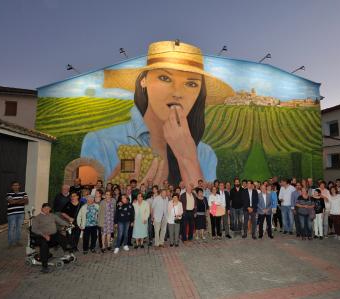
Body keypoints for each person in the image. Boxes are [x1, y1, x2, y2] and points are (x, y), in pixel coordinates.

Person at [81, 41, 234, 185]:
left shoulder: (204, 154)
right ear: (144, 81)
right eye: (164, 78)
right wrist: (118, 194)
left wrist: (188, 159)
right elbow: (85, 203)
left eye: (191, 83)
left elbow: (206, 207)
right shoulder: (101, 142)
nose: (177, 93)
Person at [31, 203, 73, 273]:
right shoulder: (37, 218)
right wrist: (44, 235)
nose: (47, 210)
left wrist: (69, 224)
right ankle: (44, 267)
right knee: (44, 245)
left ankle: (68, 252)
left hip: (53, 235)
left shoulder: (52, 215)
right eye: (45, 209)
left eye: (48, 209)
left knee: (62, 237)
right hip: (42, 236)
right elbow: (34, 229)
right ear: (42, 209)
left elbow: (61, 221)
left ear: (50, 209)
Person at [6, 181, 28, 247]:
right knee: (11, 228)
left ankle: (17, 241)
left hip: (21, 214)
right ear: (12, 186)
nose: (16, 186)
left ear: (19, 186)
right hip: (11, 214)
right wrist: (21, 199)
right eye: (14, 185)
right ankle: (10, 243)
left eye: (17, 185)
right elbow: (11, 202)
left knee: (18, 228)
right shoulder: (8, 194)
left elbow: (26, 202)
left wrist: (15, 201)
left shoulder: (24, 193)